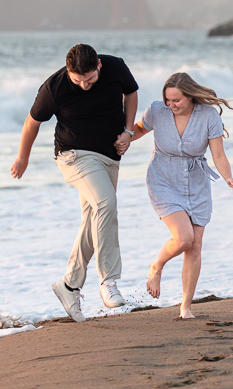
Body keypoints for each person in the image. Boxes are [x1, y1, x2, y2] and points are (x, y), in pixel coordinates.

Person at [10, 43, 138, 322]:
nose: (84, 85)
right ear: (69, 72)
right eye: (77, 80)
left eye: (90, 79)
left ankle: (69, 285)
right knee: (106, 204)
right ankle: (109, 281)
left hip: (110, 154)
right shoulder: (54, 87)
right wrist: (23, 158)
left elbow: (131, 93)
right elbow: (32, 123)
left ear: (99, 67)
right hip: (73, 155)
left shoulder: (115, 66)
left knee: (95, 218)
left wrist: (128, 131)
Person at [129, 72, 233, 319]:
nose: (171, 105)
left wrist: (228, 178)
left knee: (195, 246)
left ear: (190, 96)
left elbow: (218, 155)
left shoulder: (208, 116)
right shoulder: (157, 111)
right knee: (183, 238)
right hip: (163, 179)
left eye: (176, 100)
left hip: (197, 182)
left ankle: (185, 307)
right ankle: (156, 266)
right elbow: (136, 130)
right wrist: (119, 141)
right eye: (168, 100)